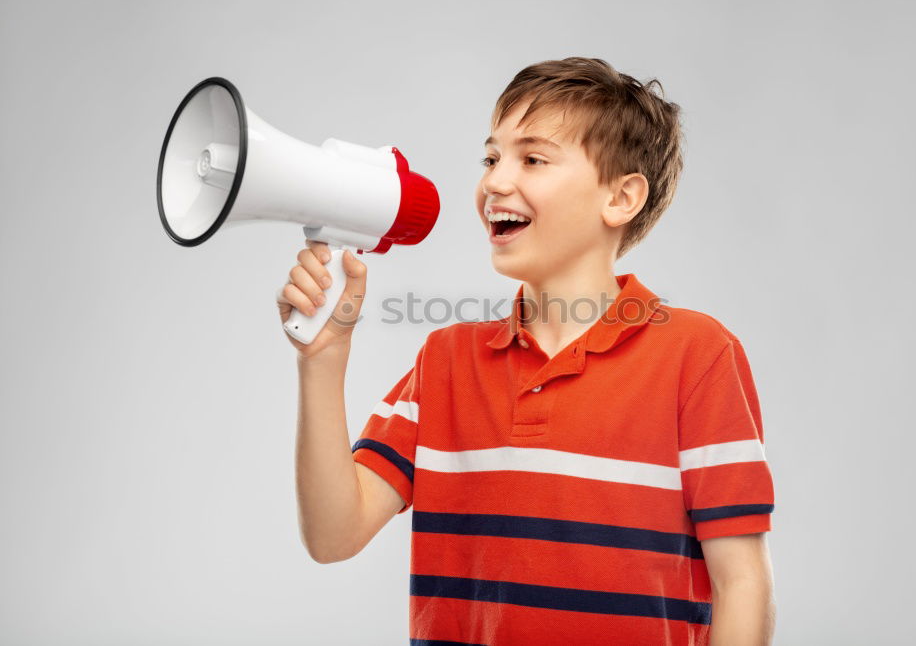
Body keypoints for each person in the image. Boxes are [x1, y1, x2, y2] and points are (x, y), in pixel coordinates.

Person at [278, 56, 776, 645]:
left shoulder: (698, 355)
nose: (494, 181)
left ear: (621, 199)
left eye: (532, 159)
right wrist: (323, 359)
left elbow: (742, 582)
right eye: (491, 158)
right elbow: (334, 536)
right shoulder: (446, 361)